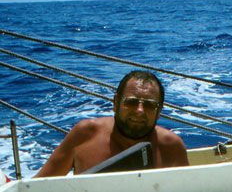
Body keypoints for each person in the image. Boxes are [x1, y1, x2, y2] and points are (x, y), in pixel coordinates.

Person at [35, 70, 189, 177]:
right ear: (116, 103)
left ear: (159, 110)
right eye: (131, 102)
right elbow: (39, 186)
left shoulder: (172, 146)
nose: (139, 111)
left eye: (149, 105)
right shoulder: (84, 134)